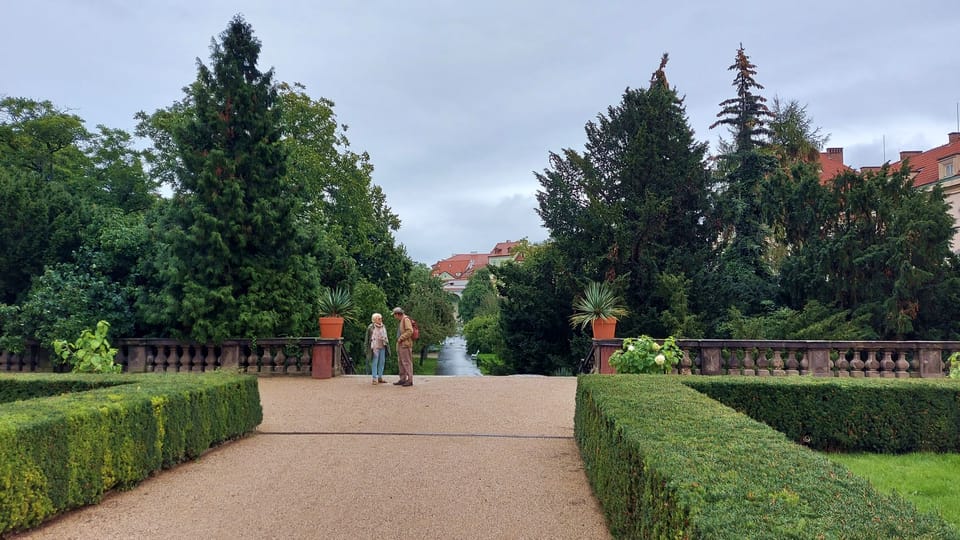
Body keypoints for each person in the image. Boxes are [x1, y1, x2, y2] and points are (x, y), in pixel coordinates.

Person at [392, 307, 414, 387]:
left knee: (406, 362)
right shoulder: (401, 320)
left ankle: (410, 380)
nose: (394, 316)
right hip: (401, 344)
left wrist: (401, 338)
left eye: (394, 314)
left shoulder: (405, 319)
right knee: (401, 362)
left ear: (397, 314)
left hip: (405, 344)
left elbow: (410, 331)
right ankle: (403, 379)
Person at [364, 313, 389, 385]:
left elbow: (385, 336)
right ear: (374, 320)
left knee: (382, 362)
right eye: (379, 319)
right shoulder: (370, 327)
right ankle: (374, 378)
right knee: (374, 362)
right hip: (374, 347)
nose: (381, 320)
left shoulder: (383, 326)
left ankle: (380, 377)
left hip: (383, 345)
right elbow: (367, 339)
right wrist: (366, 348)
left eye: (381, 318)